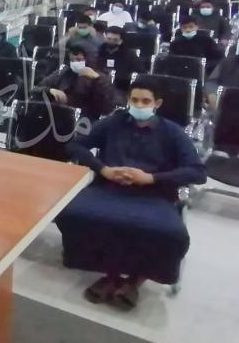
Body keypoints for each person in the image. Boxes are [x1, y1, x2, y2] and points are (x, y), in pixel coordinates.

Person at [58, 77, 207, 309]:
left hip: (154, 194)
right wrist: (103, 169)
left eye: (145, 101)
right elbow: (75, 145)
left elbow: (198, 172)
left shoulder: (172, 132)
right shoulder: (113, 123)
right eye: (134, 100)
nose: (139, 105)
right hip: (109, 188)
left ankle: (135, 279)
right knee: (71, 212)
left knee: (169, 233)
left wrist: (152, 178)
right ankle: (111, 274)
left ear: (157, 103)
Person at [34, 44, 115, 122]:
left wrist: (97, 79)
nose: (75, 63)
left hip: (86, 118)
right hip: (60, 115)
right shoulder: (64, 72)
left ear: (87, 59)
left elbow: (107, 106)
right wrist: (50, 90)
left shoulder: (100, 76)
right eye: (72, 60)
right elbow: (36, 89)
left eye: (79, 60)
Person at [96, 26, 144, 95]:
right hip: (99, 86)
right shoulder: (98, 52)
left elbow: (140, 72)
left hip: (121, 88)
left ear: (121, 41)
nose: (111, 42)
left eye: (115, 40)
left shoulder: (130, 55)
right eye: (109, 39)